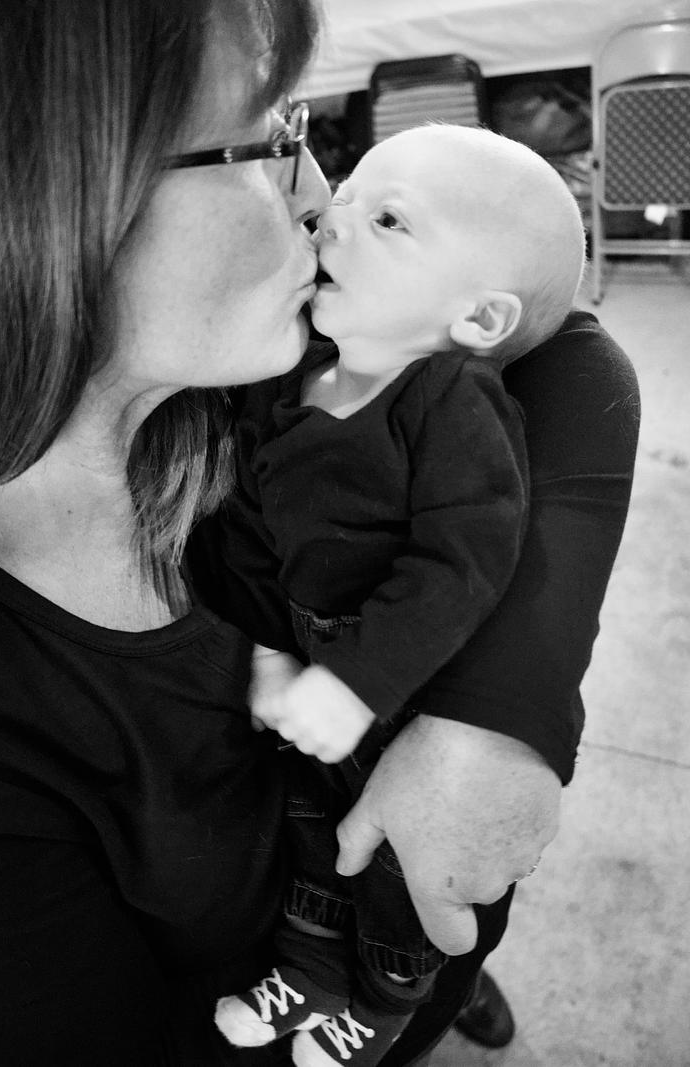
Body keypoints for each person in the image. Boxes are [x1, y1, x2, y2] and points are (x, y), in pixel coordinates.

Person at [0, 2, 638, 1066]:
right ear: (42, 205)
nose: (321, 196)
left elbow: (569, 351)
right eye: (273, 138)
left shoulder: (243, 388)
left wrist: (490, 720)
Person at [200, 124, 586, 1067]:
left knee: (396, 860)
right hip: (312, 667)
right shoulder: (291, 380)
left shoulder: (450, 402)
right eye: (348, 197)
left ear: (479, 317)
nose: (330, 218)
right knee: (311, 826)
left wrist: (356, 679)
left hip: (403, 682)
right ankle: (310, 971)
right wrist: (268, 652)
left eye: (387, 220)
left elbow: (464, 564)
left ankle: (385, 1000)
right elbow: (251, 526)